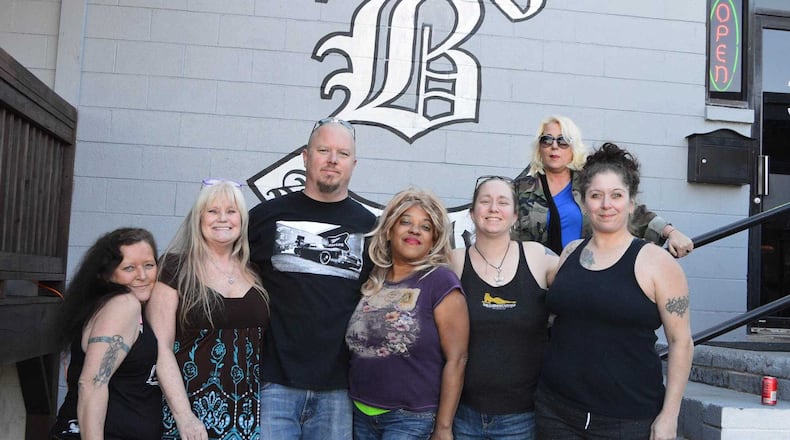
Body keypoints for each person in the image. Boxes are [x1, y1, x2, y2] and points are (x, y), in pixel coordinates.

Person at [534, 143, 694, 440]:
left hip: (627, 420)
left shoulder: (657, 263)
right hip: (555, 411)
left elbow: (681, 342)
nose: (606, 204)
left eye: (617, 195)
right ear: (584, 202)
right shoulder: (569, 253)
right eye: (596, 195)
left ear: (632, 203)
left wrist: (669, 416)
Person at [248, 117, 377, 440]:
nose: (333, 159)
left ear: (354, 164)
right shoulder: (265, 217)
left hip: (338, 388)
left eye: (342, 153)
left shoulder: (370, 227)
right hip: (274, 382)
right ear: (306, 157)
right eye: (324, 150)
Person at [147, 178, 269, 440]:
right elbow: (160, 347)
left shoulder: (256, 272)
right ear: (199, 218)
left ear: (242, 219)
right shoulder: (174, 268)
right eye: (212, 211)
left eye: (231, 211)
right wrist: (185, 416)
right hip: (190, 414)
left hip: (248, 417)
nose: (222, 219)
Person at [346, 188, 469, 440]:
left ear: (434, 239)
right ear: (390, 230)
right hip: (358, 412)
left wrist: (443, 428)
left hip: (410, 419)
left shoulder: (441, 282)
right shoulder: (372, 280)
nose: (414, 230)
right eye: (405, 222)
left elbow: (457, 359)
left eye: (425, 227)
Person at [449, 176, 559, 440]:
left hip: (523, 418)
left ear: (515, 216)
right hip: (464, 414)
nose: (493, 208)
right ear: (472, 213)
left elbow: (586, 286)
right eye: (485, 202)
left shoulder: (538, 257)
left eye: (502, 202)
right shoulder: (453, 262)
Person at [513, 115, 694, 258]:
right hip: (536, 281)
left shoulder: (590, 184)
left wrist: (672, 232)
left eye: (563, 141)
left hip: (584, 275)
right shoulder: (520, 189)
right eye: (547, 140)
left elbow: (633, 213)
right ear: (539, 147)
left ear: (573, 148)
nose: (554, 146)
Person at [50, 228, 162, 439]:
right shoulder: (123, 305)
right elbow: (91, 384)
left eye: (149, 265)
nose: (143, 276)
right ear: (106, 275)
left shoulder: (115, 305)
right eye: (129, 268)